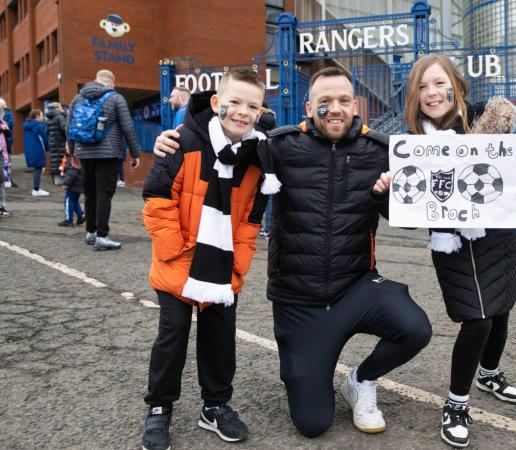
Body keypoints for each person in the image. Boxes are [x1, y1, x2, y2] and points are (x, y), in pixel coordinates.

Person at [153, 66, 433, 438]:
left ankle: (360, 381)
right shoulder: (278, 145)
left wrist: (386, 195)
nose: (335, 108)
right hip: (300, 300)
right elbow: (224, 136)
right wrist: (173, 138)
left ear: (356, 105)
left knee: (416, 328)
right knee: (313, 424)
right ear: (308, 106)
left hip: (357, 287)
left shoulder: (381, 151)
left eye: (344, 101)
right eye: (325, 101)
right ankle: (299, 365)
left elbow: (413, 215)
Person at [372, 54, 516, 448]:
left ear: (456, 85)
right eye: (422, 87)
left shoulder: (486, 128)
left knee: (500, 309)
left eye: (439, 83)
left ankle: (489, 373)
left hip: (495, 238)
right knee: (478, 319)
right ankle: (456, 402)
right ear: (414, 97)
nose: (432, 93)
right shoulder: (411, 146)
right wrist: (386, 193)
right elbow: (407, 217)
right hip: (451, 246)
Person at [141, 69, 268, 450]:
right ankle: (159, 408)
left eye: (253, 106)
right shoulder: (183, 142)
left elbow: (251, 221)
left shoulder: (261, 158)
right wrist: (174, 251)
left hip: (222, 267)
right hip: (178, 262)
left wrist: (237, 264)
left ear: (260, 113)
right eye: (235, 102)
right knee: (172, 336)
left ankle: (215, 406)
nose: (242, 112)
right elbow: (157, 198)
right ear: (216, 103)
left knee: (219, 339)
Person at [67, 69, 142, 251]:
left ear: (96, 80)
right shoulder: (116, 98)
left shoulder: (78, 98)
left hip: (84, 153)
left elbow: (70, 127)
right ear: (111, 83)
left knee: (90, 193)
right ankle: (102, 236)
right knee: (104, 195)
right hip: (108, 154)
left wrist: (73, 153)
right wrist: (135, 153)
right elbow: (127, 127)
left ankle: (90, 232)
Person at [255, 105, 276, 238]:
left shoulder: (256, 132)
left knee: (267, 200)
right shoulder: (272, 132)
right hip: (270, 173)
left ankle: (266, 227)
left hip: (261, 173)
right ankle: (267, 227)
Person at [23, 109, 50, 196]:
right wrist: (47, 148)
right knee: (38, 169)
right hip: (38, 149)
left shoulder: (26, 126)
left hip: (29, 150)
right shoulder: (39, 126)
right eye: (42, 115)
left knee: (37, 169)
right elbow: (45, 138)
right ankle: (36, 189)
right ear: (37, 116)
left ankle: (36, 188)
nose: (43, 117)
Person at [58, 158, 84, 227]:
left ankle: (68, 220)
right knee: (75, 201)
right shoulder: (81, 155)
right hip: (80, 183)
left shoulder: (73, 157)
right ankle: (80, 216)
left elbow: (72, 172)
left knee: (68, 201)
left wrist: (66, 183)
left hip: (73, 184)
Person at [46, 102, 68, 185]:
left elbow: (47, 132)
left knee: (54, 160)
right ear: (58, 108)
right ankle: (62, 180)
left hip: (53, 142)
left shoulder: (49, 119)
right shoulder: (60, 117)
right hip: (61, 142)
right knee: (61, 160)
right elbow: (64, 129)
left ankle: (56, 179)